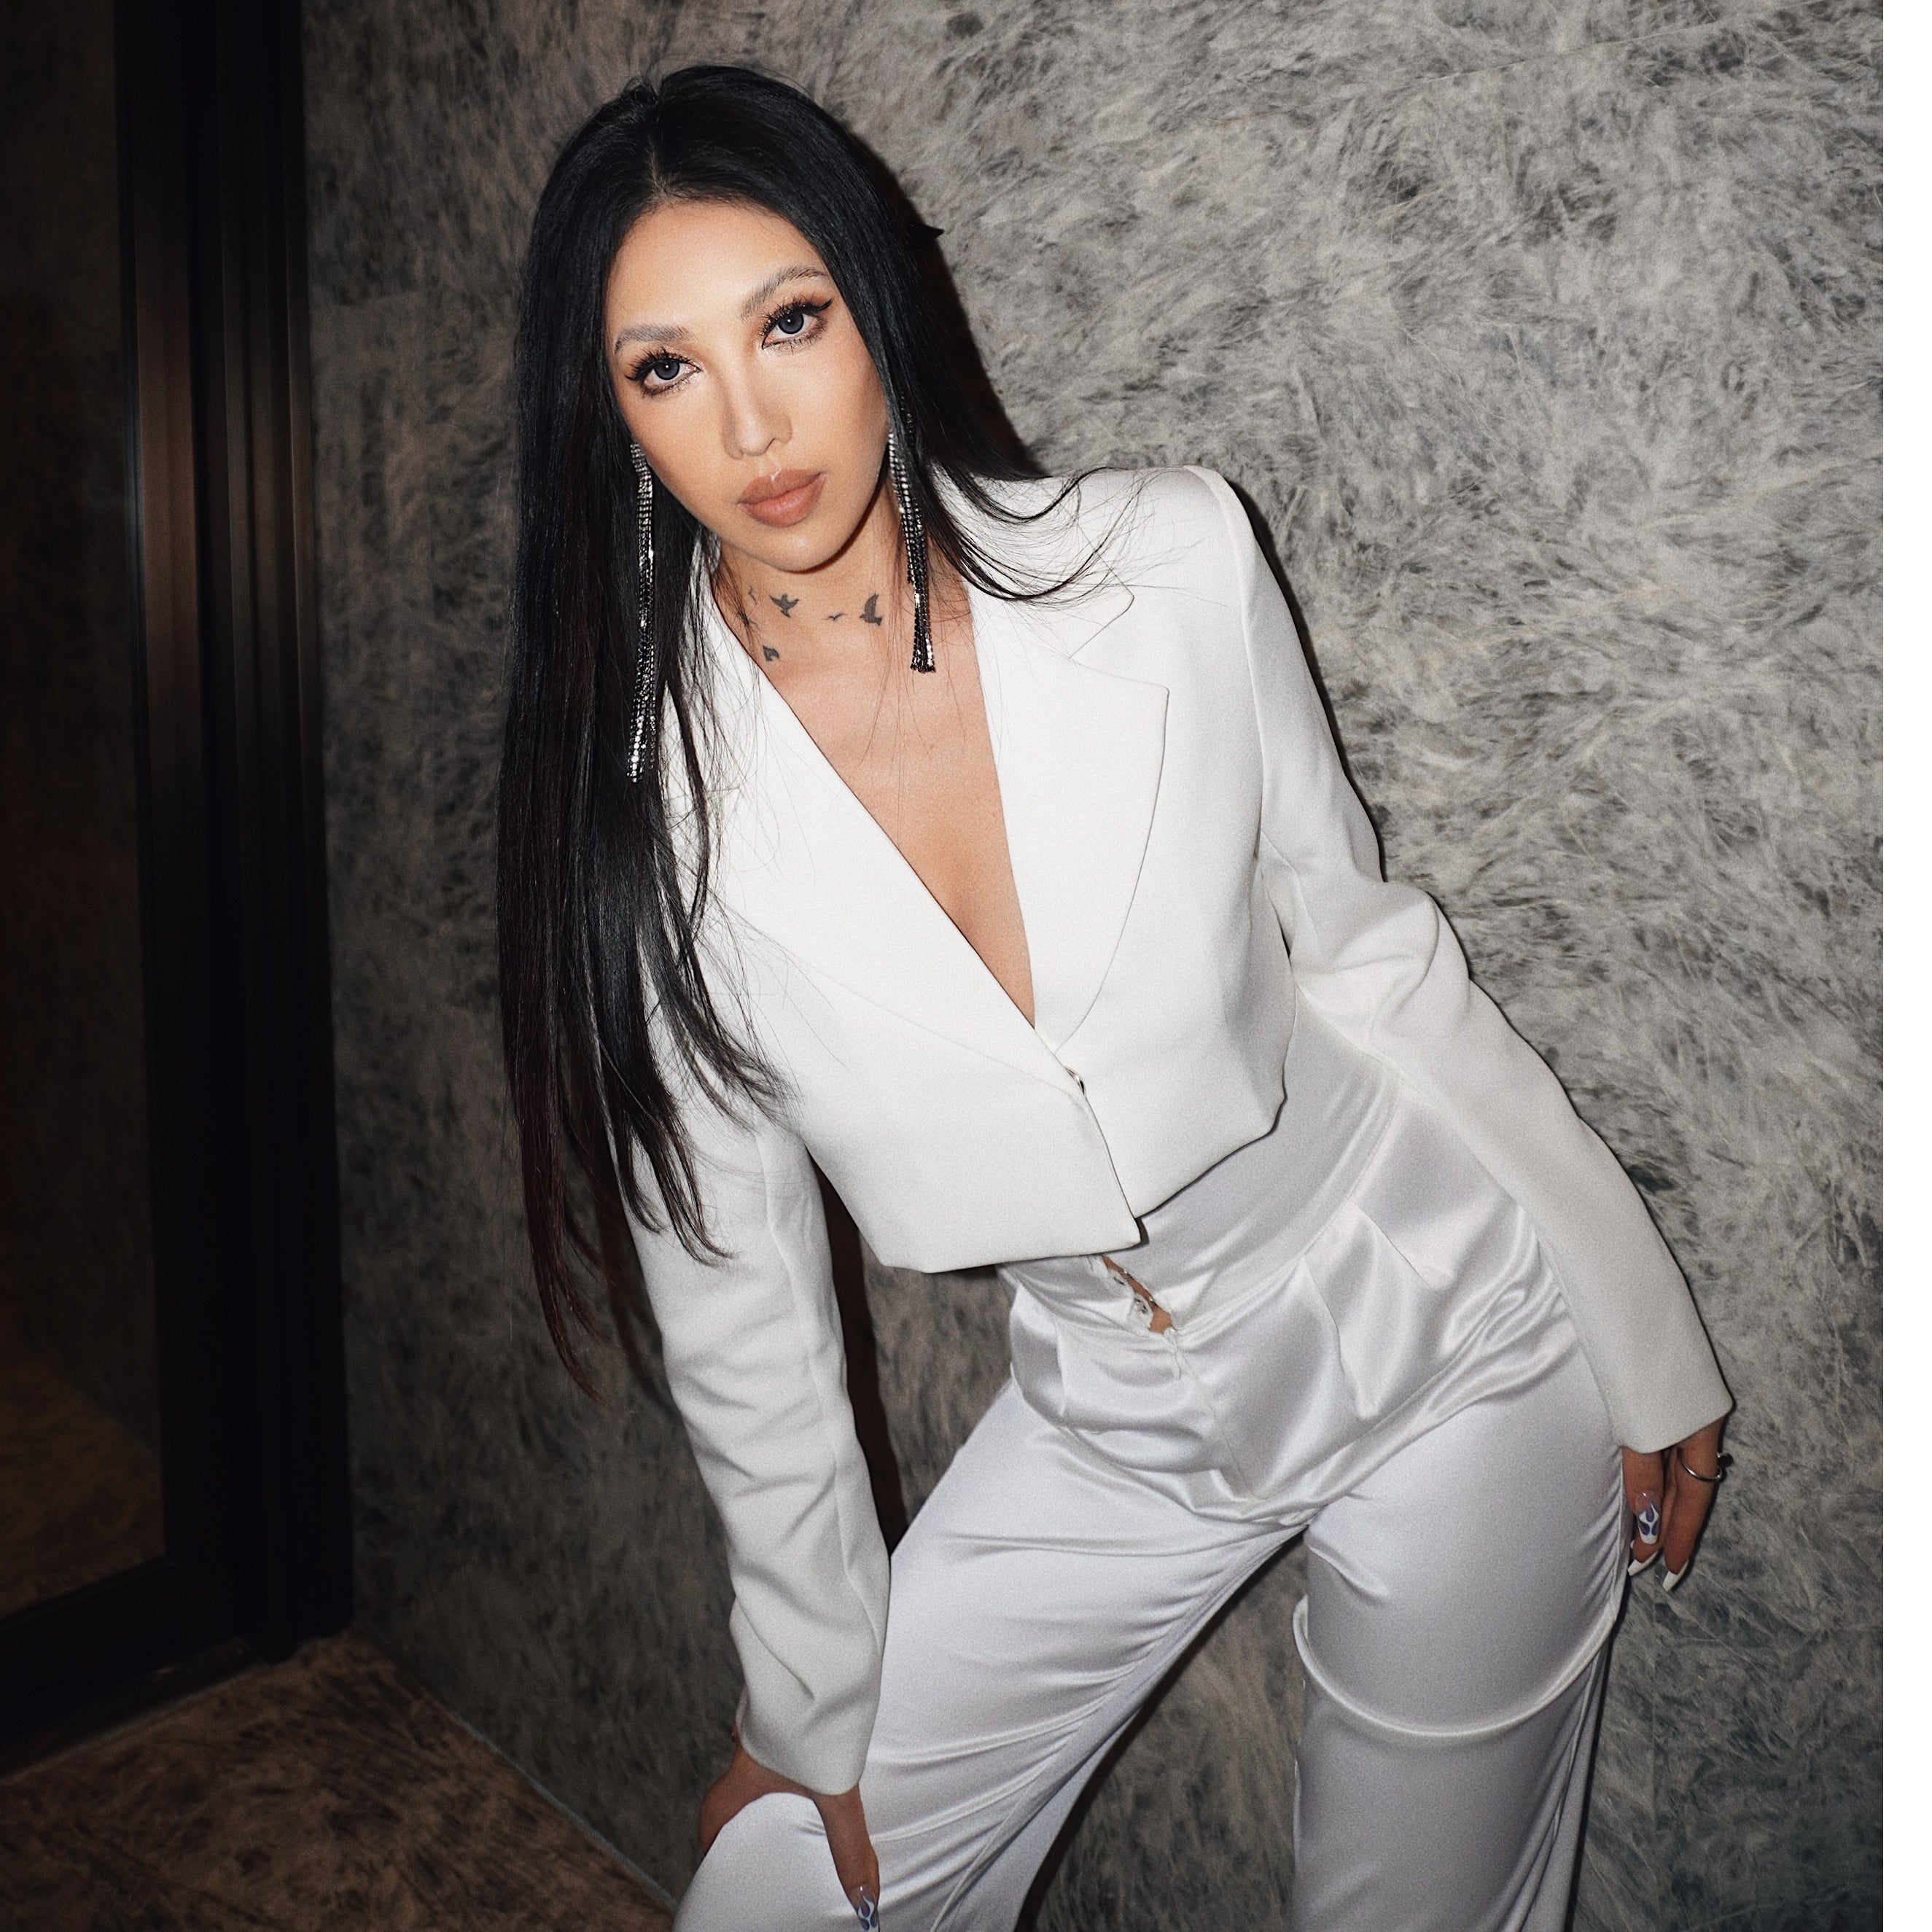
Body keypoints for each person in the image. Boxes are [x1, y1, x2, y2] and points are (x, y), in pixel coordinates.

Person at [496, 64, 1733, 1932]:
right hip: (1107, 1407)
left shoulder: (1161, 559)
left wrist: (1639, 1323)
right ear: (608, 412)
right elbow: (736, 1291)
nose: (748, 422)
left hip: (1448, 1327)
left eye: (789, 322)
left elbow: (1376, 956)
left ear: (875, 303)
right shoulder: (639, 808)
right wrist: (808, 1707)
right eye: (665, 366)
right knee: (777, 1900)